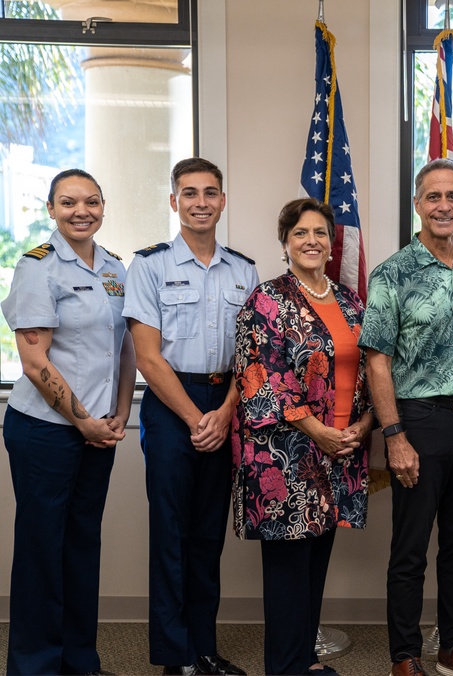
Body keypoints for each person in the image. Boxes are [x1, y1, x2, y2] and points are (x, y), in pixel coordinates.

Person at [359, 158, 453, 676]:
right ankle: (405, 655)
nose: (444, 205)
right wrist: (394, 434)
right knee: (410, 547)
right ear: (418, 204)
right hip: (419, 420)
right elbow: (376, 358)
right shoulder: (391, 273)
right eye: (434, 197)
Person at [124, 157, 258, 676]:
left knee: (207, 537)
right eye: (189, 192)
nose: (200, 201)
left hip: (227, 403)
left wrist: (224, 413)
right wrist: (196, 418)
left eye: (210, 192)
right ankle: (174, 656)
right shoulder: (149, 266)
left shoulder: (243, 270)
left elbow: (250, 355)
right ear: (174, 201)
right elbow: (147, 357)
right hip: (169, 405)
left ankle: (204, 649)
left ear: (223, 201)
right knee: (172, 534)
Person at [230, 197, 374, 676]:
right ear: (285, 241)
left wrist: (363, 426)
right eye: (300, 233)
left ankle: (305, 663)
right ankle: (286, 668)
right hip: (288, 457)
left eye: (319, 233)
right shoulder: (267, 300)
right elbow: (262, 379)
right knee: (289, 574)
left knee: (316, 566)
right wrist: (320, 432)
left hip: (341, 454)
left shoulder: (352, 301)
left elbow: (372, 372)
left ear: (333, 241)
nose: (311, 241)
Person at [2, 169, 135, 676]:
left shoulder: (114, 269)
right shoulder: (39, 267)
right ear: (52, 208)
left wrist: (121, 412)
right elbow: (36, 362)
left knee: (82, 546)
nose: (82, 210)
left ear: (103, 206)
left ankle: (81, 660)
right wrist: (84, 423)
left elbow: (125, 347)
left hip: (98, 432)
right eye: (69, 202)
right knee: (42, 550)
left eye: (92, 201)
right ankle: (35, 666)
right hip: (45, 432)